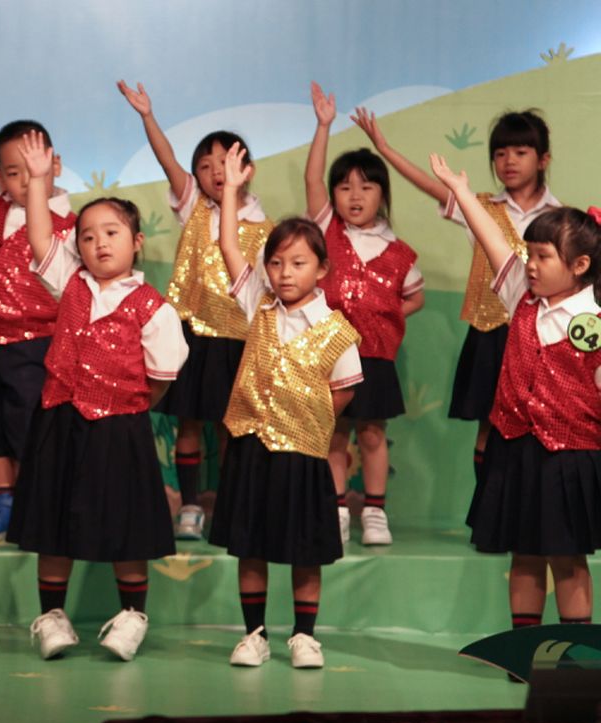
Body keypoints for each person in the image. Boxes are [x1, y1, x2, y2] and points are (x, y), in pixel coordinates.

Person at [9, 132, 188, 662]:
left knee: (126, 526)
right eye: (87, 236)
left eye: (111, 233)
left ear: (137, 243)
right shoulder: (71, 285)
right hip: (59, 421)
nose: (98, 244)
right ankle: (52, 616)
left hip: (120, 429)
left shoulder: (154, 308)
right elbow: (42, 238)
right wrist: (39, 181)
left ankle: (132, 616)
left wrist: (122, 406)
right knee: (54, 523)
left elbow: (161, 378)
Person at [431, 152, 601, 634]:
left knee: (566, 558)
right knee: (523, 555)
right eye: (528, 254)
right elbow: (492, 242)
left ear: (580, 264)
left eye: (543, 256)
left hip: (571, 455)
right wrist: (462, 192)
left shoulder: (596, 323)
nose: (529, 265)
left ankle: (573, 653)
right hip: (516, 449)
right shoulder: (518, 299)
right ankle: (524, 650)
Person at [212, 143, 364, 669]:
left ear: (322, 268)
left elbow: (340, 395)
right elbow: (230, 247)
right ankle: (254, 633)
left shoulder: (340, 333)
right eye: (275, 263)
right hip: (252, 447)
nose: (283, 273)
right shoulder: (260, 307)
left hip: (303, 454)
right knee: (250, 545)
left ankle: (304, 635)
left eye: (297, 263)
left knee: (305, 549)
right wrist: (231, 189)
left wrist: (303, 420)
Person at [353, 107, 558, 487]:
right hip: (490, 332)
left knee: (537, 424)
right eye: (500, 153)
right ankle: (487, 512)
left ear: (543, 158)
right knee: (488, 424)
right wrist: (384, 147)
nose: (508, 161)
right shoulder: (479, 207)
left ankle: (529, 510)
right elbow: (429, 184)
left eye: (520, 151)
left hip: (543, 339)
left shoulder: (561, 218)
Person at [117, 80, 274, 539]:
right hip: (195, 335)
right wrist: (148, 115)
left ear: (247, 168)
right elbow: (168, 160)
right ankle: (188, 506)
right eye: (205, 166)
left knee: (230, 427)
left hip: (240, 341)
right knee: (189, 424)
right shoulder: (196, 210)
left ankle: (225, 504)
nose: (215, 172)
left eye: (226, 162)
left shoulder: (266, 228)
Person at [0, 55, 78, 542]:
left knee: (30, 423)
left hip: (39, 340)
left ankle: (36, 499)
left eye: (33, 170)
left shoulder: (70, 222)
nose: (22, 181)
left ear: (55, 164)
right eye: (12, 173)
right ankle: (1, 498)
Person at [305, 82, 424, 546]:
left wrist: (387, 319)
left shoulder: (400, 253)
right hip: (329, 357)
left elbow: (414, 299)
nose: (355, 195)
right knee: (334, 433)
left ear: (382, 195)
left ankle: (374, 512)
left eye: (366, 186)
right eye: (345, 186)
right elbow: (311, 180)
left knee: (372, 435)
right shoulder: (327, 232)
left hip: (375, 359)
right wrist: (323, 126)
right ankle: (336, 508)